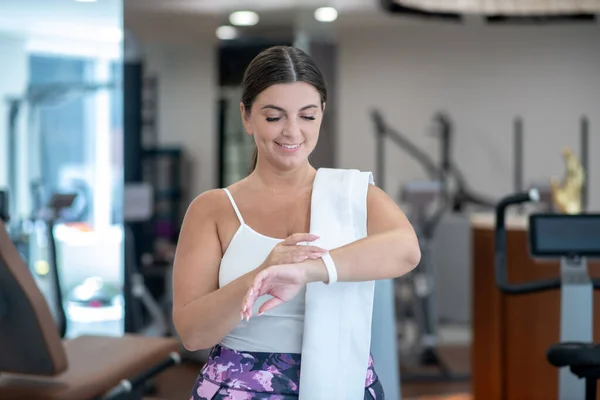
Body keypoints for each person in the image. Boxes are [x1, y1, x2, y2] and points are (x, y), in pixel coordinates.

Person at [173, 45, 421, 400]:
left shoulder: (353, 194)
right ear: (246, 116)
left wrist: (307, 271)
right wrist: (264, 272)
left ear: (323, 114)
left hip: (343, 383)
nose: (292, 132)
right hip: (238, 388)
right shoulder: (213, 209)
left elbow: (406, 251)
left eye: (307, 116)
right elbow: (193, 334)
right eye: (274, 117)